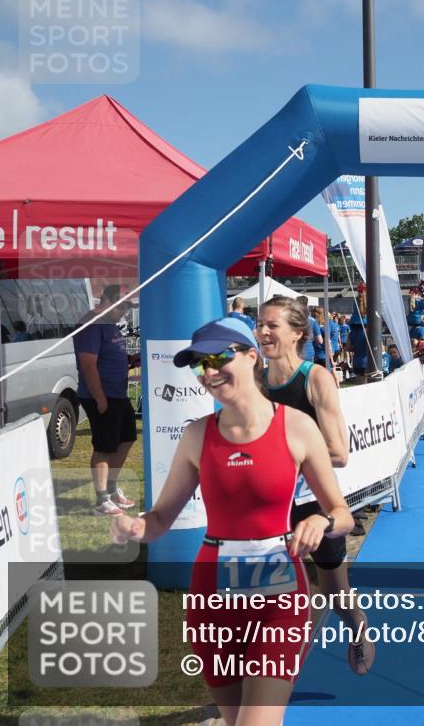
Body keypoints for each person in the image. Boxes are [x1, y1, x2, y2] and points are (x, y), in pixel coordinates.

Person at [111, 317, 354, 724]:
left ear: (251, 356)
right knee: (234, 717)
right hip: (212, 603)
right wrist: (134, 526)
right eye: (199, 364)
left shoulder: (297, 427)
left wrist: (322, 523)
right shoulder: (197, 435)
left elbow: (342, 513)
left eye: (219, 357)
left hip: (280, 600)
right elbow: (158, 520)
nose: (208, 372)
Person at [256, 297, 376, 674]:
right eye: (260, 324)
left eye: (271, 325)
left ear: (297, 333)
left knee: (336, 594)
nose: (262, 332)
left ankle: (357, 625)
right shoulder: (256, 379)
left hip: (313, 502)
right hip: (269, 503)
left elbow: (339, 452)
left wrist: (284, 453)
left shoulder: (316, 378)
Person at [74, 284, 137, 516]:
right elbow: (88, 364)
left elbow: (110, 354)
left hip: (118, 393)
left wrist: (130, 360)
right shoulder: (91, 325)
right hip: (101, 395)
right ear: (106, 301)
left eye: (128, 307)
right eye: (122, 306)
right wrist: (100, 399)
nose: (125, 312)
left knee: (127, 438)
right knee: (104, 446)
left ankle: (110, 488)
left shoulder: (110, 325)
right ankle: (102, 499)